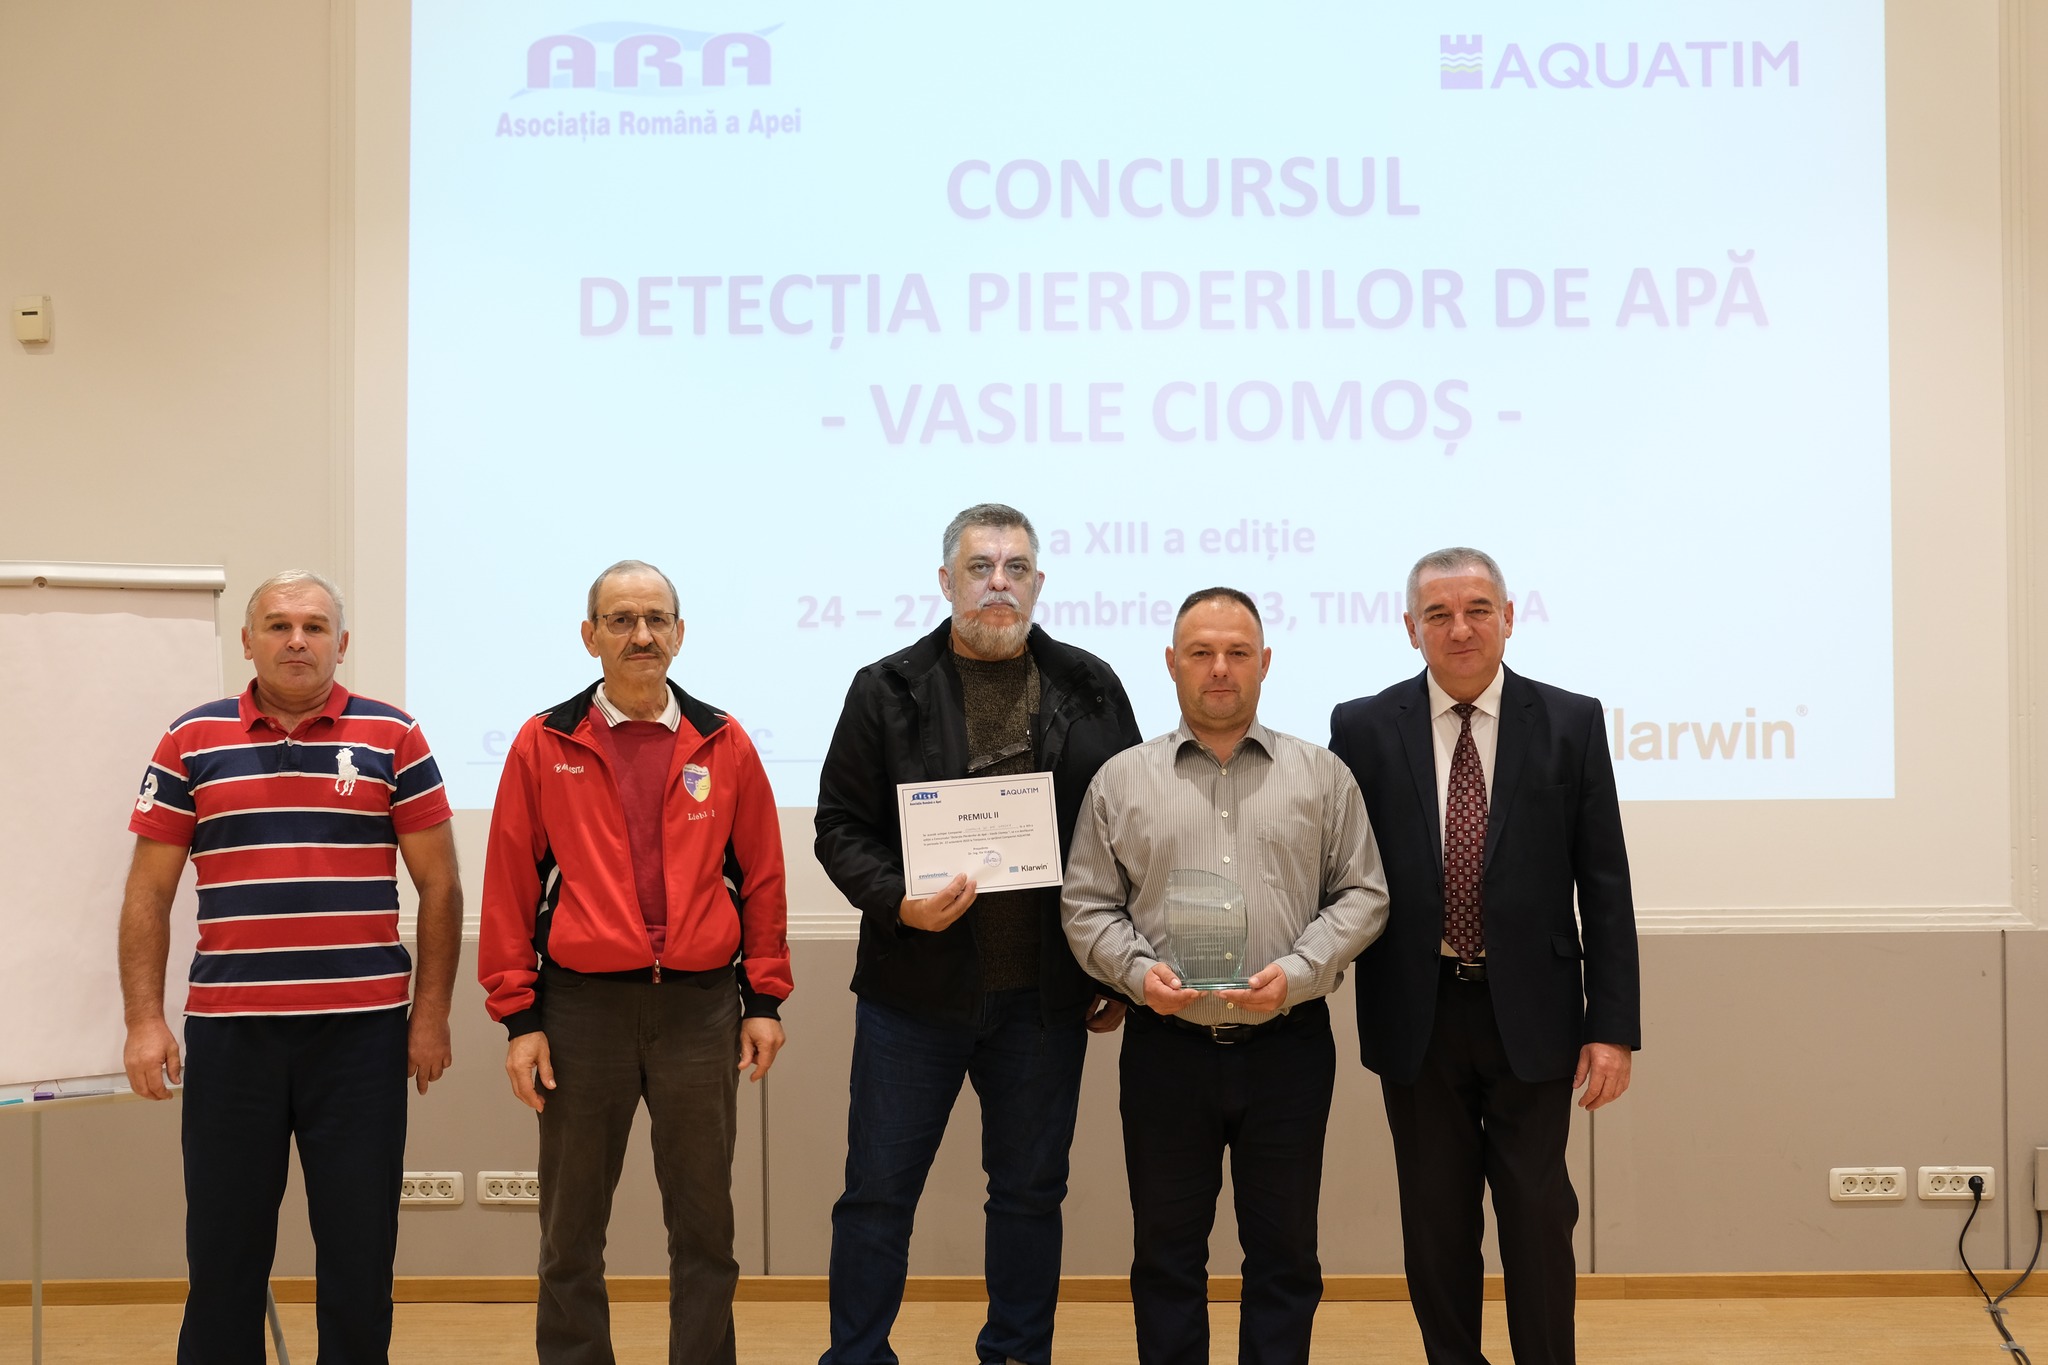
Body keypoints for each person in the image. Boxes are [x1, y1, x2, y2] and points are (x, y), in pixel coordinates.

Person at [813, 502, 1142, 1365]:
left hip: (1044, 996)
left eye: (1016, 568)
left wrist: (1115, 968)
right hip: (913, 993)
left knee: (1030, 1195)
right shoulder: (885, 688)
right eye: (981, 567)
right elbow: (839, 826)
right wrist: (898, 900)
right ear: (946, 580)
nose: (999, 583)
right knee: (877, 1195)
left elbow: (1132, 828)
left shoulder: (1091, 685)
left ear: (1038, 582)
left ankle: (1016, 1355)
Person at [119, 569, 462, 1365]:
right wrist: (143, 1019)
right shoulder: (189, 740)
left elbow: (442, 886)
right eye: (278, 625)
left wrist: (430, 1015)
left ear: (342, 642)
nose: (297, 640)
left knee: (358, 1255)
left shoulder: (395, 736)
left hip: (362, 1040)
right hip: (231, 1037)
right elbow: (147, 891)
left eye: (314, 626)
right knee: (224, 1255)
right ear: (248, 641)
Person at [1327, 547, 1640, 1365]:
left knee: (1538, 1213)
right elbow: (1338, 868)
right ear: (1411, 628)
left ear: (1509, 616)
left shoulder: (1571, 721)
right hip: (1417, 1009)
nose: (1459, 628)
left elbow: (1605, 884)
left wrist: (1612, 1026)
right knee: (1435, 1221)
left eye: (1476, 609)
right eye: (1438, 613)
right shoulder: (1361, 727)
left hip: (1533, 1011)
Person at [1062, 587, 1389, 1365]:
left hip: (1288, 1046)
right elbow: (1086, 904)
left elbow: (1363, 892)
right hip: (1166, 1048)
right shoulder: (1120, 780)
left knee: (1285, 1255)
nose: (1219, 668)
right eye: (1201, 652)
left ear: (1264, 662)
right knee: (1165, 1255)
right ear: (1170, 662)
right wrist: (1138, 974)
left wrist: (1300, 971)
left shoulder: (1322, 775)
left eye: (1237, 652)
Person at [478, 559, 791, 1365]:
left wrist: (763, 1000)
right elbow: (509, 885)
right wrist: (519, 1018)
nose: (640, 634)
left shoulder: (724, 740)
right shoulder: (545, 741)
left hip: (700, 1009)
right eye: (621, 619)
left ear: (680, 634)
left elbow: (762, 875)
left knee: (706, 1228)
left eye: (655, 619)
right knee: (571, 1230)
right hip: (582, 1011)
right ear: (590, 636)